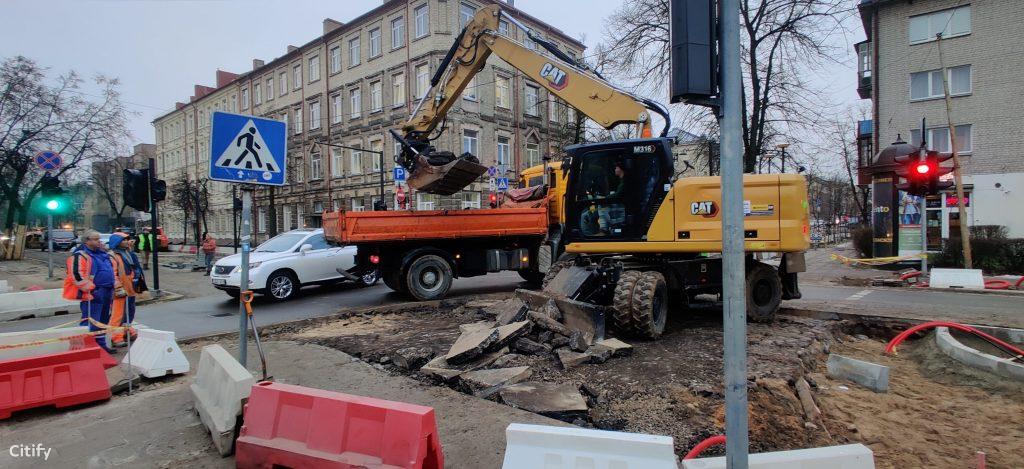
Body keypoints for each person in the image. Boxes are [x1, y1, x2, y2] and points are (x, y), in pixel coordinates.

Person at [62, 229, 121, 353]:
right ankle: (89, 347)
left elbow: (112, 272)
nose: (99, 241)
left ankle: (101, 345)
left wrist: (116, 286)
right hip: (93, 293)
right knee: (91, 320)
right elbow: (77, 275)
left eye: (98, 239)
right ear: (86, 241)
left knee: (103, 320)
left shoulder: (104, 255)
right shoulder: (80, 255)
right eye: (95, 239)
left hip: (106, 291)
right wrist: (91, 289)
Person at [108, 233, 143, 347]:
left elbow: (133, 270)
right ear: (117, 242)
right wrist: (118, 288)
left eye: (127, 239)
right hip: (121, 290)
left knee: (129, 313)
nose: (127, 241)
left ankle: (126, 331)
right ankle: (115, 337)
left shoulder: (128, 254)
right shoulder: (113, 256)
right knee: (118, 315)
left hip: (130, 288)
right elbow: (113, 274)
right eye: (124, 240)